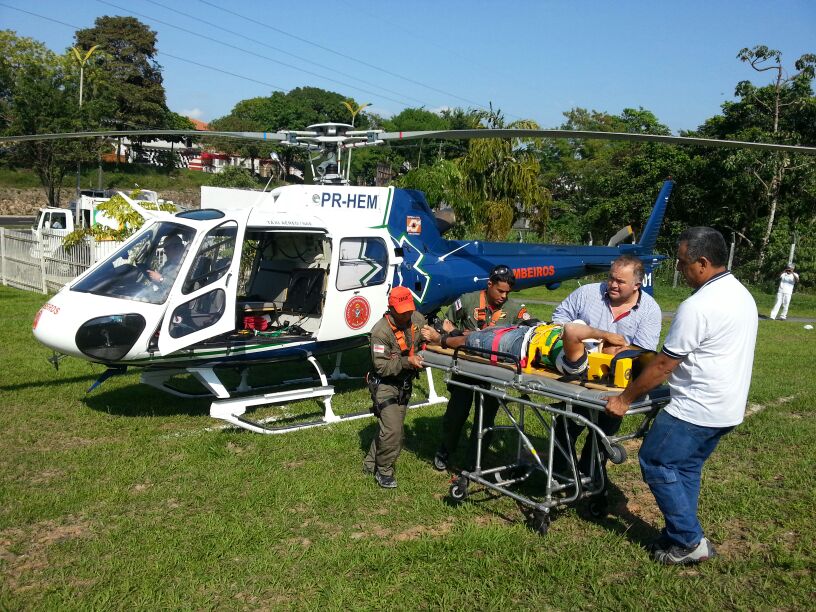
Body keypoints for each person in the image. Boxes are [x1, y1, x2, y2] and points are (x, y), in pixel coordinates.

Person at [606, 227, 758, 565]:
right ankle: (681, 533)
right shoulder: (740, 293)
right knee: (685, 468)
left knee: (656, 461)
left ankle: (689, 541)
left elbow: (663, 365)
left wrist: (623, 399)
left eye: (681, 261)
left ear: (702, 263)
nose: (678, 267)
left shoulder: (698, 305)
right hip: (727, 407)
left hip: (696, 408)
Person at [551, 254, 662, 493]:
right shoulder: (586, 294)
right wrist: (590, 338)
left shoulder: (650, 310)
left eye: (620, 281)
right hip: (577, 376)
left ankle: (591, 480)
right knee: (566, 425)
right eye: (611, 278)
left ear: (637, 285)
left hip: (615, 385)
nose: (613, 284)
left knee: (603, 434)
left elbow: (643, 351)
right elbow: (559, 320)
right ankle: (558, 476)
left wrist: (613, 351)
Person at [432, 265, 530, 471]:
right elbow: (444, 324)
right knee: (456, 413)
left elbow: (529, 329)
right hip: (465, 369)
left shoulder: (514, 309)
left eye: (507, 292)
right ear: (489, 284)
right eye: (500, 291)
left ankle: (472, 464)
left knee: (485, 420)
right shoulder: (468, 300)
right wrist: (459, 334)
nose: (504, 296)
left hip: (494, 372)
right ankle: (445, 450)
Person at [363, 286, 426, 489]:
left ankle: (370, 463)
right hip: (385, 385)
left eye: (409, 309)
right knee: (393, 431)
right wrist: (408, 362)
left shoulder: (417, 319)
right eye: (402, 312)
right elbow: (381, 367)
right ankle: (384, 471)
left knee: (391, 428)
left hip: (404, 385)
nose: (407, 315)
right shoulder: (380, 332)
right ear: (391, 309)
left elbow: (424, 338)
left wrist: (432, 336)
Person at [422, 321, 627, 376]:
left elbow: (572, 330)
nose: (618, 345)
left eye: (619, 351)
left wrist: (605, 334)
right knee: (482, 332)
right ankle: (455, 331)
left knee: (473, 341)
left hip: (518, 347)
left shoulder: (581, 364)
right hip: (530, 331)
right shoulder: (595, 345)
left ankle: (440, 339)